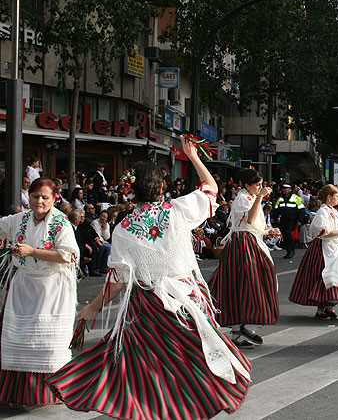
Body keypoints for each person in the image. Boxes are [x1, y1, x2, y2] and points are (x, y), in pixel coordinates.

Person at [48, 136, 251, 419]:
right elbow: (212, 190)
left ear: (131, 190)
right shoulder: (178, 211)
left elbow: (118, 279)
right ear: (162, 186)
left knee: (144, 371)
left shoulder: (123, 228)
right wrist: (192, 156)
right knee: (189, 365)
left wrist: (92, 307)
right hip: (183, 303)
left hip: (146, 307)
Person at [0, 178, 79, 405]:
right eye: (35, 197)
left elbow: (67, 255)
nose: (39, 201)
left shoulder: (60, 222)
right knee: (19, 338)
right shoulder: (19, 219)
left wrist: (33, 251)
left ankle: (47, 392)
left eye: (45, 197)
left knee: (46, 343)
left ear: (54, 198)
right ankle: (18, 392)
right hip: (25, 285)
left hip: (52, 287)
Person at [208, 168, 280, 348]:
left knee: (246, 285)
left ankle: (242, 329)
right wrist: (261, 198)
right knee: (250, 284)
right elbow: (249, 220)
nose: (260, 188)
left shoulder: (249, 198)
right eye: (257, 185)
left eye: (261, 185)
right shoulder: (242, 199)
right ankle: (243, 328)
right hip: (243, 244)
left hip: (250, 241)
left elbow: (254, 225)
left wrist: (268, 232)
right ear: (247, 185)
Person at [289, 184, 338, 319]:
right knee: (323, 277)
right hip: (324, 248)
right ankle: (322, 308)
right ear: (329, 197)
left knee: (334, 276)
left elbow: (335, 229)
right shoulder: (323, 212)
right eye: (337, 196)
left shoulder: (332, 210)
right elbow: (325, 232)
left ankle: (329, 307)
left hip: (335, 248)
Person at [273, 183, 306, 258]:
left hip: (292, 220)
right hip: (283, 220)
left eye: (286, 188)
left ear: (290, 189)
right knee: (285, 235)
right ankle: (289, 251)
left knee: (288, 234)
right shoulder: (281, 198)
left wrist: (300, 220)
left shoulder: (296, 198)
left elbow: (302, 210)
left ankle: (291, 250)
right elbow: (276, 209)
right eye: (283, 188)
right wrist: (274, 218)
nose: (284, 190)